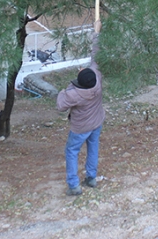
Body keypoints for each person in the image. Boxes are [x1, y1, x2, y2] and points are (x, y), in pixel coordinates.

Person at [56, 20, 105, 196]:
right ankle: (91, 178)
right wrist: (96, 32)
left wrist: (64, 89)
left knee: (71, 151)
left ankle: (74, 185)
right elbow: (96, 55)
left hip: (80, 128)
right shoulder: (97, 79)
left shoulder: (74, 93)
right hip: (97, 122)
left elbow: (60, 105)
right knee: (93, 147)